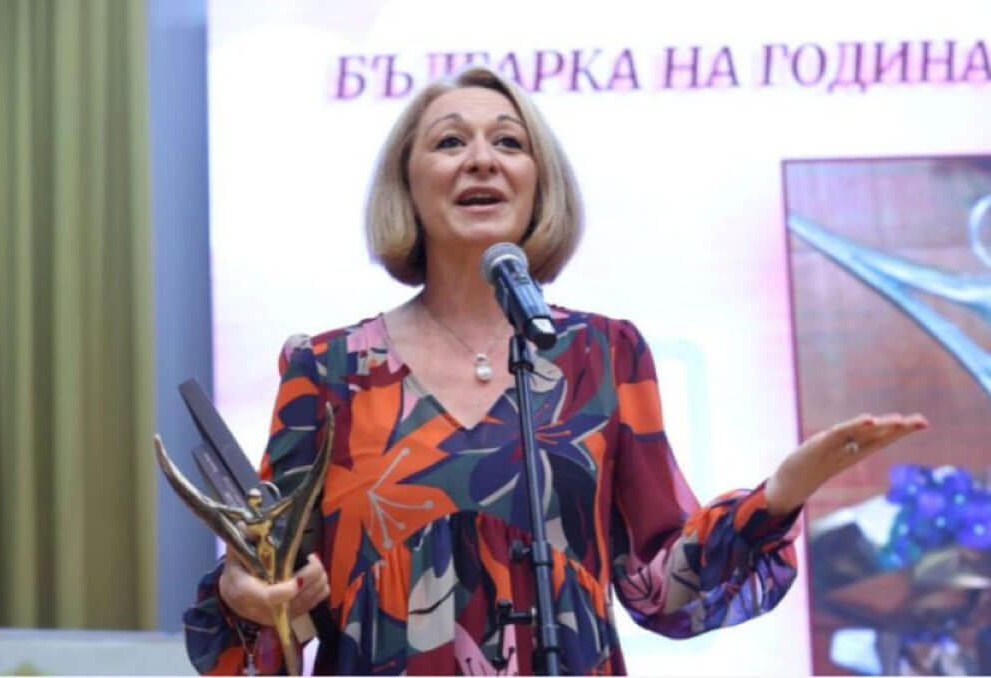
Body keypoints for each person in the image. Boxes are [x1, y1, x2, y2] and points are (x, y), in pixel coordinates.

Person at [183, 66, 928, 675]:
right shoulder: (328, 370)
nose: (482, 159)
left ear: (539, 181)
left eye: (508, 142)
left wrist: (780, 495)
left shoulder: (604, 354)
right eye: (450, 142)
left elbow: (661, 586)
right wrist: (250, 597)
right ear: (407, 185)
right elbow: (273, 580)